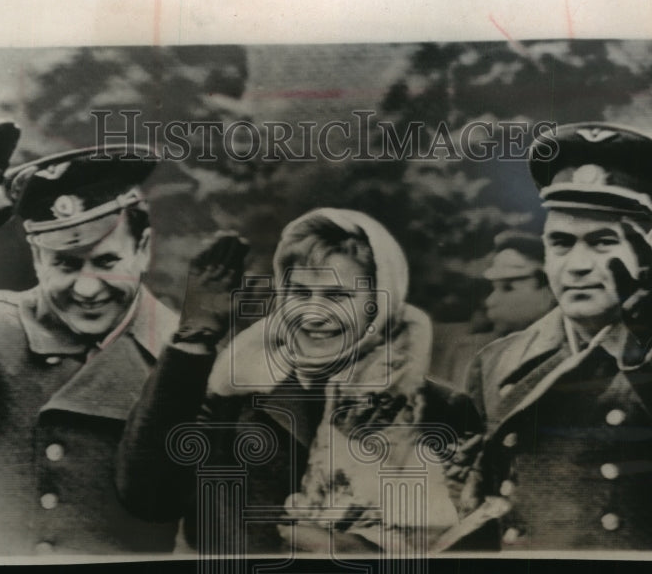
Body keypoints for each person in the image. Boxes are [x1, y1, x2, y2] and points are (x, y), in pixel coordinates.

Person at [0, 122, 247, 556]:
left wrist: (190, 352)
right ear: (37, 261)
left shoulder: (190, 352)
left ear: (143, 248)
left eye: (106, 261)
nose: (87, 288)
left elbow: (180, 504)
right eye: (65, 264)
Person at [441, 123, 652, 551]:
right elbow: (498, 509)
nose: (578, 265)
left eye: (603, 241)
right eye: (562, 243)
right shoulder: (499, 362)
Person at [118, 208, 481, 556]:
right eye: (300, 293)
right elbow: (149, 499)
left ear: (378, 303)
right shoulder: (235, 388)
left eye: (338, 296)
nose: (314, 314)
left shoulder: (435, 407)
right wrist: (193, 337)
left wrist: (365, 550)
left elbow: (467, 541)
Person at [431, 230, 555, 388]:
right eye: (493, 289)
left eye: (508, 288)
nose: (491, 301)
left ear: (549, 291)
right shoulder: (473, 351)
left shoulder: (574, 350)